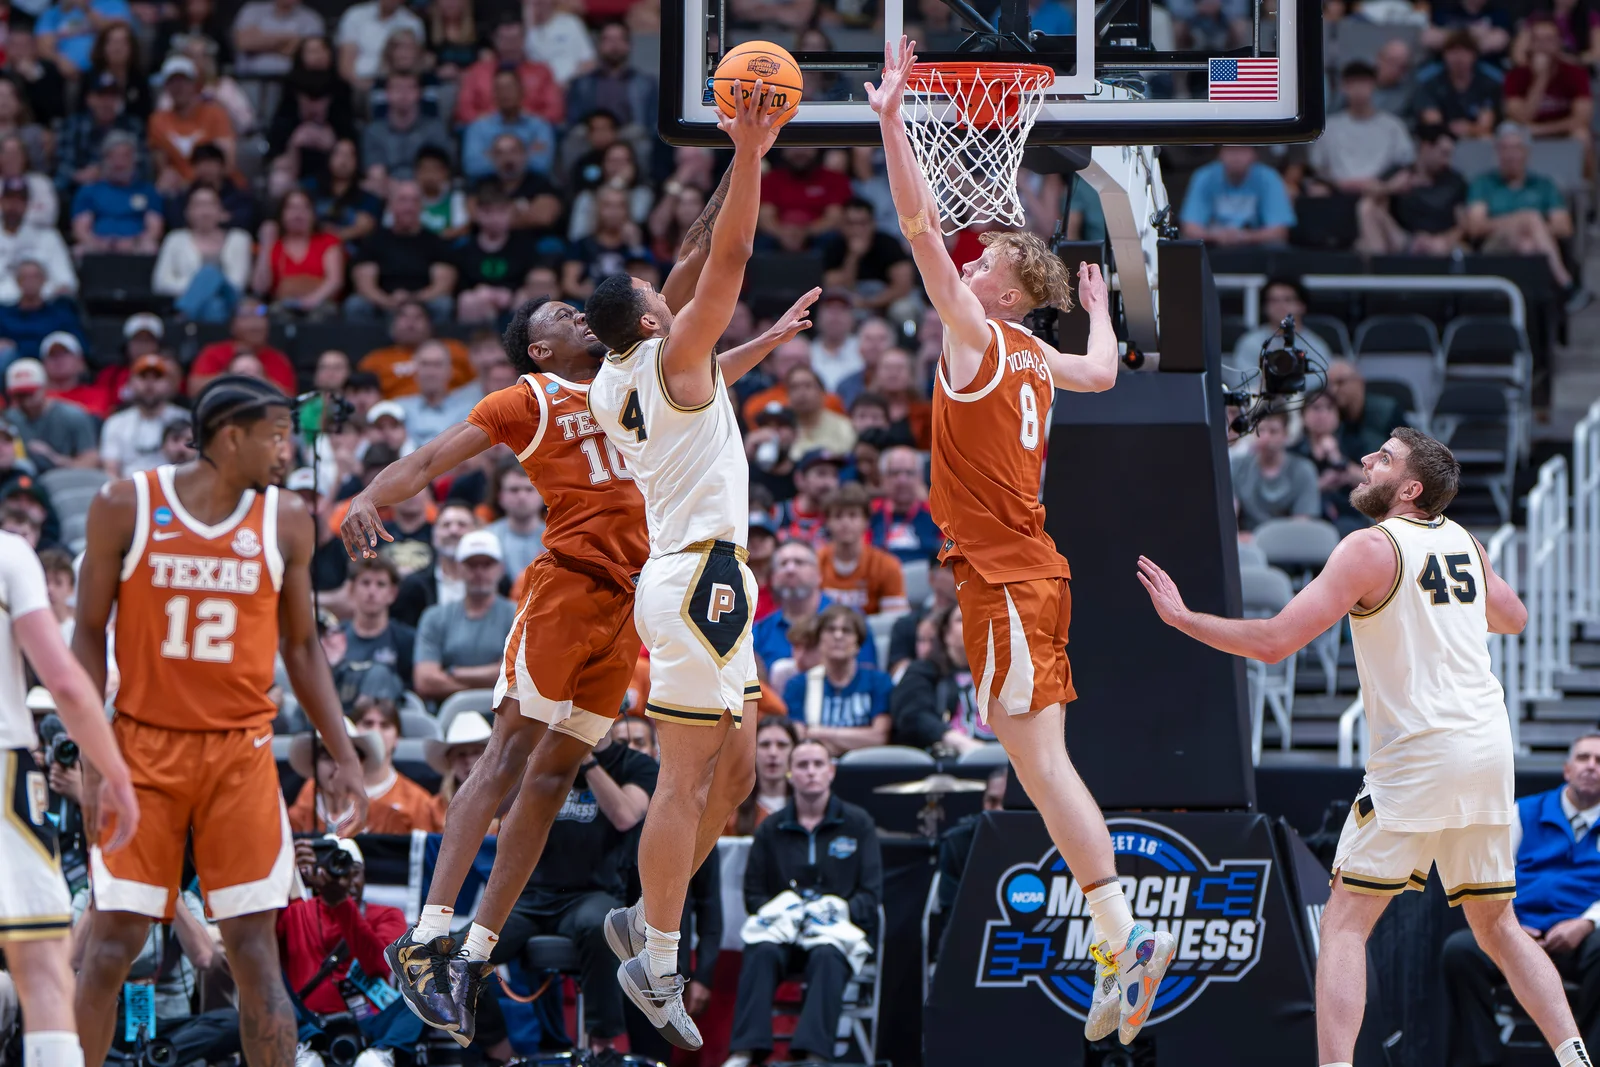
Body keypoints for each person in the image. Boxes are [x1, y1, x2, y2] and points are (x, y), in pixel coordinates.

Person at [352, 252, 809, 1048]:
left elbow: (698, 355)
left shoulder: (623, 380)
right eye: (559, 316)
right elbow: (428, 460)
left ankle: (474, 954)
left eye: (579, 308)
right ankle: (426, 936)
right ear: (539, 350)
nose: (575, 313)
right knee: (507, 756)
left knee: (553, 775)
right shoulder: (526, 397)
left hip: (627, 601)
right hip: (566, 587)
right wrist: (365, 493)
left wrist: (761, 333)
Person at [871, 37, 1172, 1044]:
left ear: (999, 293)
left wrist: (891, 120)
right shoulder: (1035, 353)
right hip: (1022, 575)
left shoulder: (976, 335)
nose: (969, 260)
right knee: (1040, 766)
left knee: (1042, 770)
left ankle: (1124, 935)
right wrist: (1097, 314)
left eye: (985, 262)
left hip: (1003, 577)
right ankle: (1117, 938)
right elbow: (1103, 374)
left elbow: (917, 222)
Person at [1137, 427, 1592, 1067]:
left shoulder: (1370, 547)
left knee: (1345, 923)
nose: (1366, 460)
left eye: (1384, 458)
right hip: (1487, 748)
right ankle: (1575, 1059)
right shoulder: (1465, 541)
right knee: (1498, 926)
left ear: (1410, 489)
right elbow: (1513, 618)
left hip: (1422, 751)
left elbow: (1273, 643)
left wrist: (1185, 620)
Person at [71, 376, 368, 1067]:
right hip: (142, 750)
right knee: (111, 946)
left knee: (254, 953)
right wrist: (91, 755)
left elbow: (302, 648)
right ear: (230, 438)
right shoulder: (124, 504)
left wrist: (345, 751)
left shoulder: (287, 520)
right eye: (276, 436)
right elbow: (85, 633)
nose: (287, 450)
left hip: (241, 755)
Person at [582, 85, 790, 1050]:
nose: (672, 293)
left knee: (736, 774)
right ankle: (657, 956)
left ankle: (642, 913)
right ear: (649, 320)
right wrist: (750, 158)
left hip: (707, 582)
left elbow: (692, 257)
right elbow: (728, 260)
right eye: (660, 298)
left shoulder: (622, 372)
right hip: (697, 581)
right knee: (685, 778)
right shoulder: (672, 357)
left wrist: (741, 155)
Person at [0, 519, 140, 1067]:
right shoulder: (10, 554)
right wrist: (114, 772)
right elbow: (63, 681)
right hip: (5, 765)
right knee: (43, 968)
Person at [494, 725, 656, 1061]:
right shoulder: (545, 758)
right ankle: (496, 1047)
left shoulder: (636, 764)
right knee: (464, 952)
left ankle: (603, 1045)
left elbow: (625, 816)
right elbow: (494, 806)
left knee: (600, 926)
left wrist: (585, 759)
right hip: (530, 897)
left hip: (593, 892)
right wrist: (536, 756)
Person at [1442, 733, 1600, 1063]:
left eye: (1599, 761)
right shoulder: (1522, 813)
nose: (1591, 766)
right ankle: (1483, 1060)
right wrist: (1508, 925)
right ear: (1567, 769)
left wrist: (1586, 923)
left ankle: (1589, 1059)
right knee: (1460, 950)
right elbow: (1490, 872)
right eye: (1584, 758)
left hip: (1582, 940)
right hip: (1517, 932)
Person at [726, 739, 882, 1067]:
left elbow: (871, 896)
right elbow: (753, 896)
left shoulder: (858, 824)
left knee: (827, 954)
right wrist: (785, 911)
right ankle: (746, 1052)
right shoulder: (770, 829)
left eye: (817, 764)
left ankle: (812, 1055)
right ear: (789, 773)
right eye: (802, 765)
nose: (810, 772)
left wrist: (838, 910)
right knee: (761, 950)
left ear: (831, 771)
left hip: (835, 934)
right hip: (783, 933)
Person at [1465, 122, 1579, 300]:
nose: (1511, 155)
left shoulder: (1544, 185)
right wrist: (1518, 221)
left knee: (1526, 245)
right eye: (1505, 148)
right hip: (1494, 246)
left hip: (1533, 245)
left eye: (1516, 148)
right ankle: (1565, 282)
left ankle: (1534, 303)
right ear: (1497, 152)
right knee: (1530, 217)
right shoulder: (1483, 183)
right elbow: (1475, 227)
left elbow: (1564, 227)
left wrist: (1530, 230)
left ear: (1527, 152)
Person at [412, 531, 517, 703]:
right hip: (447, 712)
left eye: (487, 564)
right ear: (459, 568)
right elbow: (425, 680)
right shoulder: (434, 617)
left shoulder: (518, 616)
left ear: (501, 568)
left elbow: (517, 676)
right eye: (472, 565)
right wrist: (491, 683)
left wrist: (455, 672)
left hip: (505, 711)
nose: (479, 572)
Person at [781, 603, 893, 754]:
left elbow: (879, 738)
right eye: (830, 629)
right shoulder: (798, 685)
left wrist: (820, 733)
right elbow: (800, 738)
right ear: (819, 640)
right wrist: (856, 740)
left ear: (858, 643)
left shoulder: (879, 682)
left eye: (846, 630)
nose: (838, 635)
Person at [346, 182, 459, 323]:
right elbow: (364, 284)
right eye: (403, 200)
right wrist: (388, 302)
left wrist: (412, 299)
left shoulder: (436, 242)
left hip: (423, 304)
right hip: (382, 303)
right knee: (356, 304)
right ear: (391, 206)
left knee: (443, 304)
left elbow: (443, 285)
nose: (409, 207)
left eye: (415, 201)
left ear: (422, 207)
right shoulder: (374, 241)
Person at [1357, 124, 1469, 257]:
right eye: (1444, 154)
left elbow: (1463, 224)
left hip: (1439, 241)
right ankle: (1379, 265)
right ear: (1426, 147)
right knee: (1367, 207)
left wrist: (1443, 241)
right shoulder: (1401, 174)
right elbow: (1368, 189)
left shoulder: (1454, 181)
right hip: (1402, 240)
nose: (1447, 161)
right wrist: (1391, 188)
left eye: (1450, 155)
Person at [1308, 62, 1415, 196]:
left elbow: (1406, 164)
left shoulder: (1393, 125)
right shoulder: (1329, 127)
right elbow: (1318, 167)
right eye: (1352, 84)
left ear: (1374, 86)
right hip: (1337, 194)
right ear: (1343, 88)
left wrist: (1384, 187)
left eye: (1364, 83)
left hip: (1382, 192)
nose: (1358, 90)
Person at [151, 185, 253, 323]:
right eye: (198, 205)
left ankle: (183, 315)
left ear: (221, 211)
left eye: (210, 204)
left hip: (230, 301)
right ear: (187, 212)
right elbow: (161, 283)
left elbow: (237, 283)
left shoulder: (240, 238)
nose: (205, 212)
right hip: (213, 306)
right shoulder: (175, 239)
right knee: (213, 305)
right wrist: (202, 288)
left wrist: (201, 284)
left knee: (209, 272)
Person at [146, 55, 235, 195]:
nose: (178, 87)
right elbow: (162, 167)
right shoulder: (158, 120)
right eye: (172, 81)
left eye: (184, 81)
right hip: (180, 191)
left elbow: (227, 163)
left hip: (216, 185)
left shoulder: (215, 114)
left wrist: (195, 181)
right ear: (166, 87)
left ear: (195, 85)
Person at [1504, 15, 1593, 150]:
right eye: (1538, 40)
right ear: (1530, 44)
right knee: (1509, 133)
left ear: (1559, 42)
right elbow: (1522, 117)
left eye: (1549, 39)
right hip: (1527, 132)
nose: (1543, 45)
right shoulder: (1516, 75)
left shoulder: (1576, 73)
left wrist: (1542, 130)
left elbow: (1581, 118)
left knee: (1582, 135)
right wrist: (1541, 79)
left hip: (1561, 131)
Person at [1178, 144, 1295, 246]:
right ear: (1220, 153)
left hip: (1258, 252)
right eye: (1230, 150)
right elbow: (1190, 228)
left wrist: (1244, 236)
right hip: (1214, 250)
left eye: (1242, 150)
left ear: (1254, 154)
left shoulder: (1269, 177)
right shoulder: (1204, 176)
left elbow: (1279, 232)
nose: (1236, 157)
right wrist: (1217, 236)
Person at [817, 483, 907, 615]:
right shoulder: (815, 563)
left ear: (866, 521)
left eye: (853, 515)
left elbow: (894, 619)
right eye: (838, 516)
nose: (845, 523)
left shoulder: (887, 565)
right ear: (827, 522)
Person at [68, 132, 163, 256]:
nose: (119, 162)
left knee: (150, 248)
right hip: (99, 245)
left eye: (125, 156)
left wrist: (133, 243)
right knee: (80, 250)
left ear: (134, 159)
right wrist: (101, 243)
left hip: (136, 245)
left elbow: (154, 228)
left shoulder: (147, 191)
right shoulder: (89, 190)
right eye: (113, 156)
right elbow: (81, 229)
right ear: (105, 160)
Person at [1232, 412, 1322, 532]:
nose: (1265, 438)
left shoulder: (1303, 470)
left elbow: (1302, 525)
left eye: (1273, 431)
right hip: (1246, 539)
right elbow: (1229, 516)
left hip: (1287, 540)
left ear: (1286, 434)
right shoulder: (1238, 466)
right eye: (1260, 431)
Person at [4, 358, 99, 472]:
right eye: (19, 395)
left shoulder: (72, 415)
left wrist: (54, 458)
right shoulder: (9, 419)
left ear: (44, 387)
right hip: (21, 479)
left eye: (30, 393)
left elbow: (91, 462)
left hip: (64, 477)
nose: (26, 401)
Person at [100, 354, 186, 477]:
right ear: (130, 383)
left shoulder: (186, 421)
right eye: (143, 377)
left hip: (173, 484)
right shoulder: (115, 422)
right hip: (128, 486)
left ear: (169, 384)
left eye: (157, 377)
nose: (149, 383)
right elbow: (111, 471)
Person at [187, 300, 297, 396]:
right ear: (233, 325)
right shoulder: (213, 352)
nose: (255, 323)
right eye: (246, 316)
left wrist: (259, 378)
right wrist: (235, 376)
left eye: (261, 315)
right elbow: (194, 389)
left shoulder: (278, 359)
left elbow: (288, 398)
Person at [341, 555, 415, 693]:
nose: (372, 592)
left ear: (392, 593)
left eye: (380, 584)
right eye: (365, 583)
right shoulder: (335, 638)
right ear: (351, 589)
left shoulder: (407, 641)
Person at [1415, 30, 1502, 142]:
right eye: (1453, 52)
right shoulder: (1430, 83)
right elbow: (1432, 121)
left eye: (1464, 52)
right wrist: (1452, 129)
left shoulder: (1488, 82)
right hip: (1442, 138)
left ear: (1474, 55)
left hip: (1476, 138)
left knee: (1487, 137)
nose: (1458, 58)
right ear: (1444, 54)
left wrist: (1469, 128)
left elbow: (1485, 124)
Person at [0, 180, 75, 306]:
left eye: (19, 201)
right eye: (9, 200)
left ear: (27, 204)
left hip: (41, 307)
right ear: (1, 202)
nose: (14, 206)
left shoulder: (48, 237)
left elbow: (66, 282)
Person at [395, 341, 477, 446]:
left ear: (450, 371)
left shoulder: (469, 411)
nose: (431, 372)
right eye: (425, 364)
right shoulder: (399, 409)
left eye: (437, 365)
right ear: (415, 371)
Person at [0, 259, 83, 362]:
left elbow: (77, 344)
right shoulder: (4, 315)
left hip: (51, 364)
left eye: (35, 277)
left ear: (44, 279)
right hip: (13, 365)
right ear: (17, 281)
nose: (30, 282)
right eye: (24, 277)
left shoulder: (60, 313)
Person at [727, 714, 797, 835]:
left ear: (795, 751)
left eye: (782, 745)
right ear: (752, 750)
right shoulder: (730, 812)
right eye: (765, 745)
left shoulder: (809, 809)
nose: (773, 753)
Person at [484, 462, 544, 577]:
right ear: (500, 496)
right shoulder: (487, 538)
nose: (522, 496)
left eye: (529, 489)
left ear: (542, 494)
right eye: (514, 490)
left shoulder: (556, 539)